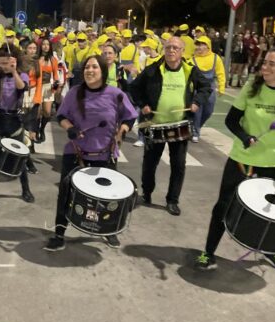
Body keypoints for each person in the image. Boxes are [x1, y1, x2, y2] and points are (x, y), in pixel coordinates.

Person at [196, 48, 275, 272]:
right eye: (264, 62)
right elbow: (231, 120)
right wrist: (244, 137)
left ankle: (273, 251)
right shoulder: (251, 88)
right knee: (223, 206)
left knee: (272, 213)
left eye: (271, 64)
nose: (264, 68)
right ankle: (208, 252)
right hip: (242, 160)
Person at [44, 55, 137, 252]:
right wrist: (69, 127)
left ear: (103, 71)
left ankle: (109, 230)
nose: (90, 70)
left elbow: (129, 118)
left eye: (94, 67)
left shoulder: (116, 94)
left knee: (108, 198)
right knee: (66, 194)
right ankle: (59, 233)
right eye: (87, 67)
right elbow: (61, 116)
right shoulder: (74, 93)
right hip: (76, 153)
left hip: (105, 154)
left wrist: (122, 132)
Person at [130, 36, 211, 216]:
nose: (171, 50)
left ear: (182, 51)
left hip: (179, 125)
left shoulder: (190, 70)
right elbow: (134, 88)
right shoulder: (153, 69)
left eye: (175, 48)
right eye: (168, 47)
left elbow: (206, 87)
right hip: (155, 124)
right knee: (149, 163)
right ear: (164, 50)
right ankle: (147, 193)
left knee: (178, 165)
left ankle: (172, 200)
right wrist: (143, 104)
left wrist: (197, 101)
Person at [0, 46, 36, 203]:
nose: (4, 66)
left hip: (15, 120)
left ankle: (26, 189)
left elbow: (22, 88)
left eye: (6, 63)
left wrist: (13, 71)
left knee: (20, 157)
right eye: (1, 63)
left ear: (14, 61)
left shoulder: (22, 75)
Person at [191, 36, 226, 142]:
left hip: (210, 88)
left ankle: (196, 127)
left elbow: (221, 73)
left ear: (208, 46)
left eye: (202, 44)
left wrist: (221, 87)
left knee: (208, 111)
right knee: (197, 111)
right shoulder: (192, 59)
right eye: (198, 45)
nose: (199, 47)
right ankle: (195, 132)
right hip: (198, 89)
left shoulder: (216, 58)